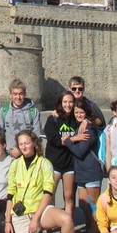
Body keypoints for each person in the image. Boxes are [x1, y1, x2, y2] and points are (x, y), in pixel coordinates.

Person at [5, 129, 78, 233]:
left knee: (67, 219)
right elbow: (10, 194)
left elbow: (48, 194)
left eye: (26, 143)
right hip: (21, 212)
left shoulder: (45, 163)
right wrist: (8, 220)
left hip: (41, 209)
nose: (24, 146)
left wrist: (36, 219)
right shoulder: (15, 164)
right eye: (21, 144)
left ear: (34, 143)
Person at [64, 98, 104, 233]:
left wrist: (67, 141)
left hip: (91, 171)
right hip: (81, 172)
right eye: (76, 112)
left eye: (81, 112)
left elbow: (80, 151)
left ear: (86, 113)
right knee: (84, 205)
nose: (79, 115)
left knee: (93, 206)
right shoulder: (80, 127)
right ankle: (93, 232)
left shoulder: (89, 130)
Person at [42, 91, 77, 220]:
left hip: (70, 163)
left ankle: (68, 223)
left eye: (71, 102)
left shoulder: (76, 118)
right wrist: (73, 139)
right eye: (65, 102)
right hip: (54, 163)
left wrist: (85, 121)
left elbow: (94, 119)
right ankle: (48, 226)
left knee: (69, 196)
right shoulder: (53, 119)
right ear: (60, 103)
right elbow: (54, 140)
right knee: (49, 196)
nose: (68, 105)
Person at [0, 78, 43, 158]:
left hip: (28, 154)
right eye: (15, 94)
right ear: (10, 95)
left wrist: (19, 150)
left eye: (20, 94)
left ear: (25, 94)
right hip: (9, 155)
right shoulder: (4, 112)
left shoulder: (33, 112)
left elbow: (36, 136)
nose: (18, 97)